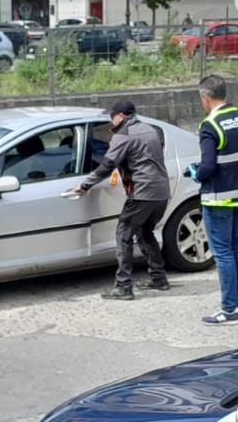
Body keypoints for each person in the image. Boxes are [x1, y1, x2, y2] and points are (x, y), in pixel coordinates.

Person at [72, 99, 171, 300]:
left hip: (142, 193)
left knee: (123, 235)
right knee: (145, 232)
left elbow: (107, 165)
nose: (111, 120)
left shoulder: (123, 135)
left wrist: (85, 185)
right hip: (161, 192)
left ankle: (123, 286)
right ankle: (159, 278)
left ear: (122, 116)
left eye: (113, 116)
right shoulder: (149, 129)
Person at [189, 75, 238, 325]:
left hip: (219, 199)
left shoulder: (210, 125)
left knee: (223, 253)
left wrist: (194, 172)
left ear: (204, 97)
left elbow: (208, 167)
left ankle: (229, 310)